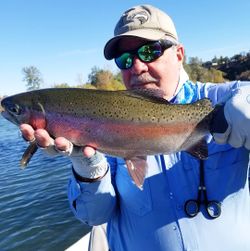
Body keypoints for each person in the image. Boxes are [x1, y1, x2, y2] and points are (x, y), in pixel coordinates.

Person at [20, 4, 250, 251]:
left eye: (151, 51)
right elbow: (95, 216)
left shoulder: (218, 100)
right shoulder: (101, 127)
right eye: (125, 59)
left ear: (179, 54)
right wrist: (86, 165)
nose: (137, 67)